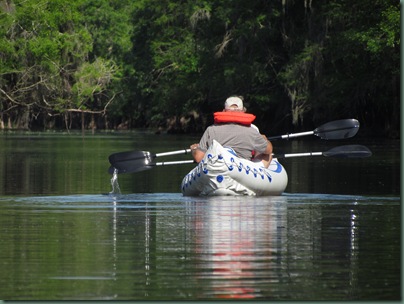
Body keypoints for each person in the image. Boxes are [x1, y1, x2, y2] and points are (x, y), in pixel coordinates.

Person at [190, 96, 273, 168]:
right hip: (243, 171)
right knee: (268, 155)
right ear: (243, 111)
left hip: (218, 168)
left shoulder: (211, 130)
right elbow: (268, 150)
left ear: (224, 111)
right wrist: (265, 140)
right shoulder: (252, 131)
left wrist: (194, 149)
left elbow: (198, 158)